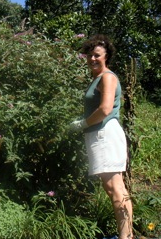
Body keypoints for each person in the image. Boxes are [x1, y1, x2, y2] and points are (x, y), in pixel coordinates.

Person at [70, 34, 133, 239]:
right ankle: (126, 234)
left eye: (97, 55)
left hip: (105, 133)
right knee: (111, 187)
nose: (92, 59)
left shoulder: (107, 77)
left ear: (106, 56)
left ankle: (127, 236)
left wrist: (82, 123)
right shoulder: (97, 78)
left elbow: (105, 109)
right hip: (99, 134)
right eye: (89, 55)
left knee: (116, 187)